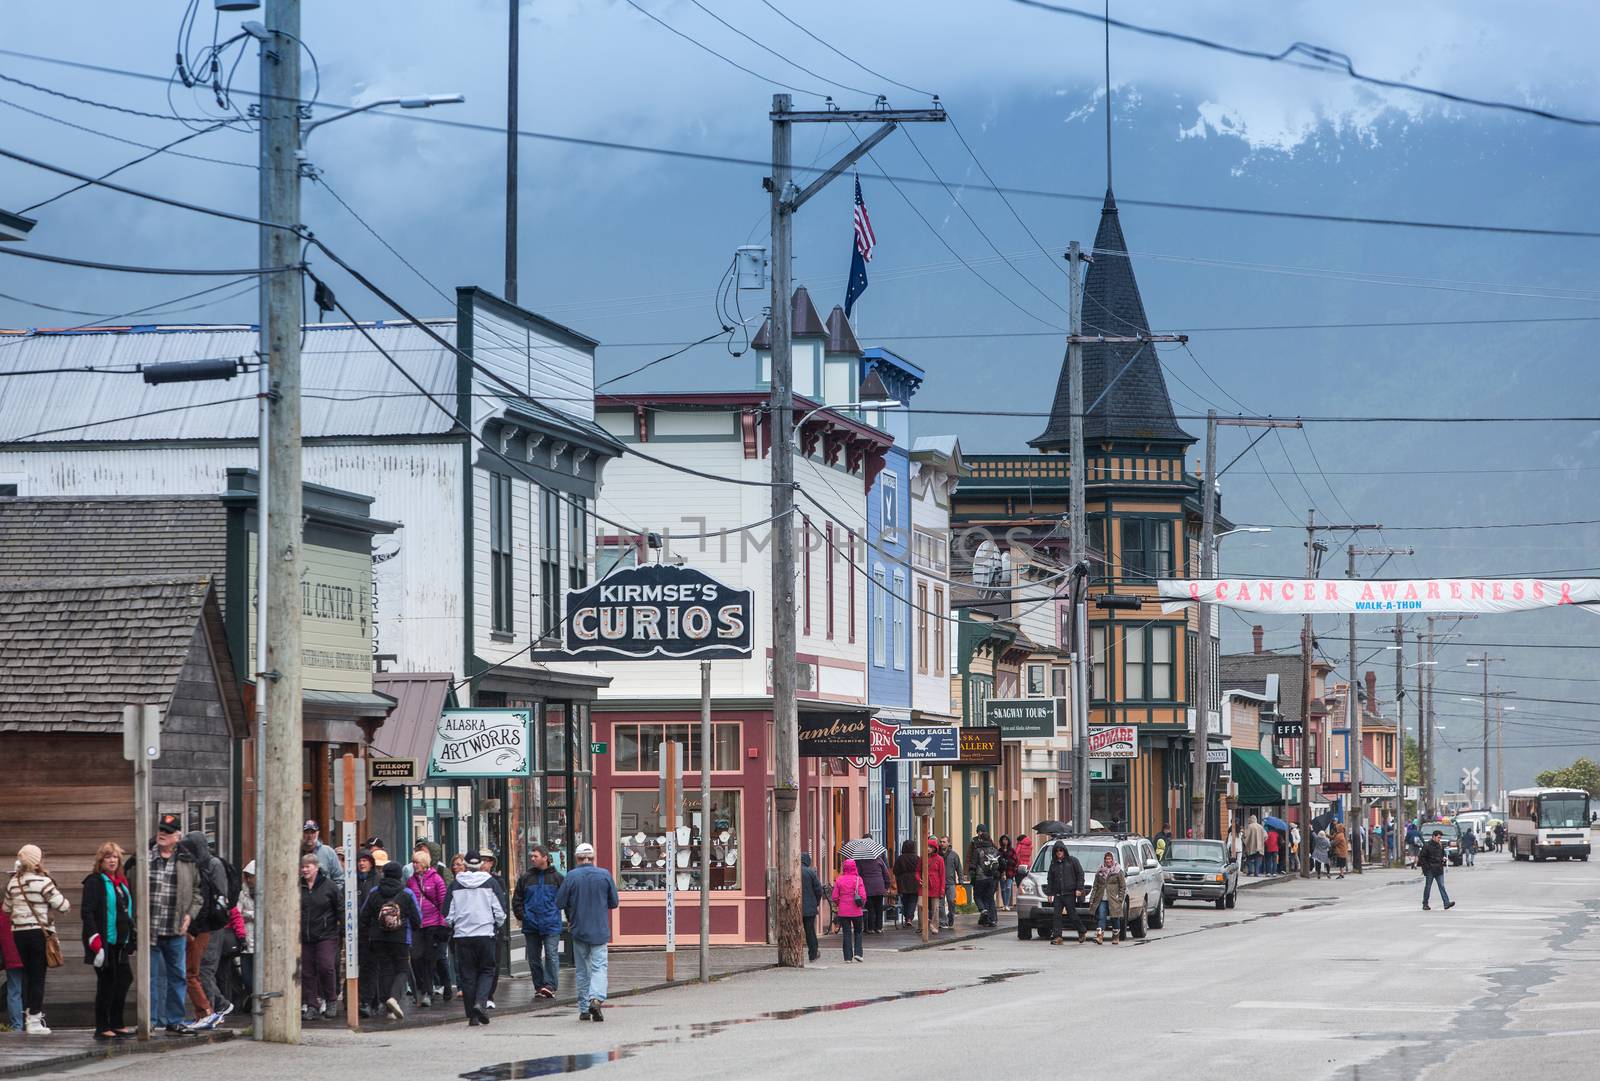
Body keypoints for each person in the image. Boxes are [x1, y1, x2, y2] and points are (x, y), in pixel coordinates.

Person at [139, 814, 200, 1034]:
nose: (162, 834)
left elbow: (197, 892)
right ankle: (151, 1020)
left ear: (177, 836)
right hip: (150, 930)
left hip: (175, 930)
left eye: (168, 831)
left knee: (178, 977)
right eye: (161, 830)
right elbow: (131, 888)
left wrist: (190, 915)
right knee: (151, 978)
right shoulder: (144, 858)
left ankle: (174, 1020)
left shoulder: (187, 861)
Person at [3, 844, 69, 1036]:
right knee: (38, 976)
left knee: (26, 976)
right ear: (37, 861)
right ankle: (34, 1020)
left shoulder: (13, 883)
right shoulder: (43, 881)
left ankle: (27, 1016)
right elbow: (62, 906)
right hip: (38, 933)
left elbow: (7, 909)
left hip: (19, 934)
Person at [555, 843, 618, 1022]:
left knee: (582, 970)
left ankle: (583, 1008)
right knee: (599, 967)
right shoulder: (604, 875)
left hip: (579, 929)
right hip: (599, 929)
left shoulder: (571, 877)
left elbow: (559, 902)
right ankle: (596, 999)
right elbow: (614, 902)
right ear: (593, 857)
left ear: (577, 858)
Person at [81, 842, 135, 1040]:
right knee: (107, 983)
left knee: (124, 979)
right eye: (108, 857)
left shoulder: (121, 882)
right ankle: (102, 1025)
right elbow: (87, 913)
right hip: (104, 942)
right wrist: (95, 940)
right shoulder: (94, 882)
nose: (112, 860)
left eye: (115, 857)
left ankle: (117, 1021)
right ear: (101, 861)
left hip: (120, 941)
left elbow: (126, 910)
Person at [444, 852, 504, 1027]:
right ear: (481, 864)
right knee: (487, 970)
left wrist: (455, 925)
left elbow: (447, 914)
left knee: (467, 974)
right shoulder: (491, 883)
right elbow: (500, 911)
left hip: (463, 936)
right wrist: (495, 926)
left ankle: (472, 1014)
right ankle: (480, 1003)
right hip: (485, 933)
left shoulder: (456, 884)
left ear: (465, 864)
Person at [180, 830, 231, 1029]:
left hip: (212, 925)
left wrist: (206, 920)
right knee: (198, 969)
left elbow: (219, 897)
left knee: (204, 969)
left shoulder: (214, 864)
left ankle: (211, 1012)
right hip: (201, 924)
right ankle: (215, 1008)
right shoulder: (197, 865)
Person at [360, 861, 422, 1021]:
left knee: (385, 969)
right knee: (402, 970)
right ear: (399, 876)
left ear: (384, 874)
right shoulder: (407, 893)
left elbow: (363, 915)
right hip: (401, 938)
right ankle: (393, 998)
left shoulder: (374, 892)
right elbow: (417, 919)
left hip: (378, 938)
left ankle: (387, 1007)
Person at [514, 845, 564, 999]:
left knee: (551, 955)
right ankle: (539, 985)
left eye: (535, 856)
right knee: (534, 958)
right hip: (531, 924)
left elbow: (566, 900)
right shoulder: (526, 878)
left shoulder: (558, 878)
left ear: (545, 857)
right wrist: (523, 916)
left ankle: (550, 985)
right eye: (531, 856)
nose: (532, 859)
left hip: (551, 924)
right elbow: (517, 899)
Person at [297, 854, 340, 1021]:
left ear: (316, 867)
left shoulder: (329, 886)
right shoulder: (298, 886)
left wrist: (341, 929)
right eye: (303, 866)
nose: (305, 869)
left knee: (325, 966)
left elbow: (340, 907)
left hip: (326, 934)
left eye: (308, 866)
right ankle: (312, 1004)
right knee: (307, 971)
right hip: (306, 935)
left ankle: (331, 1000)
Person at [405, 842, 448, 1008]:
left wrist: (443, 924)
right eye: (413, 862)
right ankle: (422, 988)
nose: (414, 865)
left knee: (429, 960)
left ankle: (428, 992)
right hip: (417, 924)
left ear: (424, 864)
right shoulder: (411, 881)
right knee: (416, 958)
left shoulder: (436, 879)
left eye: (416, 862)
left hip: (433, 924)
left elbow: (442, 902)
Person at [1044, 842, 1087, 945]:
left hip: (1070, 893)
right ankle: (1058, 937)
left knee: (1072, 914)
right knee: (1056, 915)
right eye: (1057, 850)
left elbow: (1080, 874)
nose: (1059, 852)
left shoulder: (1072, 861)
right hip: (1058, 894)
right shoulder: (1053, 863)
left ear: (1064, 850)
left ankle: (1082, 930)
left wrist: (1079, 888)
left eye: (1061, 850)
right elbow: (1050, 879)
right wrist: (1049, 893)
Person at [830, 858, 867, 963]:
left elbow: (835, 897)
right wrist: (860, 904)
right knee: (858, 932)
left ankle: (847, 957)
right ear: (855, 867)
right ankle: (858, 954)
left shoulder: (839, 879)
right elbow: (863, 896)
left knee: (846, 933)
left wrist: (840, 904)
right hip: (856, 911)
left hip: (843, 911)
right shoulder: (858, 879)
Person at [1087, 851, 1126, 945]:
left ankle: (1116, 936)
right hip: (1102, 899)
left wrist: (1120, 898)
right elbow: (1095, 887)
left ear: (1112, 860)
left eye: (1110, 859)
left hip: (1113, 899)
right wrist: (1092, 900)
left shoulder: (1118, 871)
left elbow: (1122, 886)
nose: (1108, 861)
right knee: (1101, 917)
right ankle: (1099, 936)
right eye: (1106, 859)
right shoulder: (1100, 872)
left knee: (1115, 918)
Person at [967, 826, 1000, 927]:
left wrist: (971, 876)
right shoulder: (995, 850)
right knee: (989, 898)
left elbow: (972, 864)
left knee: (977, 896)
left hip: (980, 878)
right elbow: (1000, 864)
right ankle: (991, 919)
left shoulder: (978, 850)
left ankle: (984, 911)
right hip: (992, 878)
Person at [1419, 829, 1456, 911]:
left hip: (1439, 868)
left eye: (1440, 838)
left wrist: (1443, 859)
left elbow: (1442, 854)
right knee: (1428, 887)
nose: (1439, 839)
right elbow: (1422, 857)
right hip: (1430, 869)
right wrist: (1426, 868)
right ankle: (1425, 903)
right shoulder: (1427, 845)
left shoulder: (1440, 845)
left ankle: (1446, 903)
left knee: (1442, 886)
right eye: (1438, 837)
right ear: (1433, 837)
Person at [0, 908, 24, 1032]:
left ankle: (17, 1026)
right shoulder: (24, 912)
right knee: (17, 990)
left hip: (10, 956)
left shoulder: (3, 914)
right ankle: (21, 1025)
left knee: (14, 990)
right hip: (24, 955)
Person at [238, 861, 256, 1015]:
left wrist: (248, 914)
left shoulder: (265, 892)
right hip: (246, 939)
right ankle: (251, 997)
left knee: (258, 976)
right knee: (247, 977)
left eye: (252, 877)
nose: (250, 880)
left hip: (260, 942)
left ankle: (255, 1003)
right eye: (248, 877)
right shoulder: (242, 893)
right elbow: (238, 912)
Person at [800, 853, 826, 961]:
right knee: (810, 931)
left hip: (793, 907)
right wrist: (815, 902)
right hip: (809, 908)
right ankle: (813, 953)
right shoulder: (811, 872)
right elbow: (818, 890)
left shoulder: (794, 871)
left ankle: (798, 953)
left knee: (795, 931)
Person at [858, 849, 890, 934]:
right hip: (879, 886)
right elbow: (885, 873)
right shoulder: (879, 860)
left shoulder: (861, 861)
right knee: (879, 907)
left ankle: (870, 927)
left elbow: (859, 874)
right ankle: (879, 927)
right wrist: (887, 885)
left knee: (870, 907)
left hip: (867, 887)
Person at [301, 821, 343, 886]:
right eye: (306, 832)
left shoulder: (328, 852)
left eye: (312, 832)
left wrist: (330, 895)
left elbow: (339, 879)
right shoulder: (294, 853)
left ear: (317, 833)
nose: (309, 836)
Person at [893, 840, 921, 927]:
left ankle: (906, 917)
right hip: (914, 881)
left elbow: (895, 870)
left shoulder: (900, 858)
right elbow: (921, 869)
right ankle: (909, 918)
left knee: (905, 900)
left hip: (903, 882)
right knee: (913, 900)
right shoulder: (917, 858)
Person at [938, 838, 962, 929]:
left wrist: (961, 880)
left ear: (948, 843)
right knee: (940, 904)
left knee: (951, 901)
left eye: (944, 842)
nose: (942, 843)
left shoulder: (954, 855)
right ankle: (943, 921)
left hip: (951, 882)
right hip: (939, 882)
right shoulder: (937, 855)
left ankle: (951, 916)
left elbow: (959, 868)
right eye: (941, 842)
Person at [995, 836, 1018, 912]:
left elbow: (1015, 860)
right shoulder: (999, 850)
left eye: (1006, 840)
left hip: (1010, 872)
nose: (1005, 841)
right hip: (1002, 872)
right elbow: (997, 860)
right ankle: (1004, 904)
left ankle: (1007, 904)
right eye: (1003, 840)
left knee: (1008, 887)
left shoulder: (1012, 850)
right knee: (1003, 889)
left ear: (1008, 841)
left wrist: (1008, 862)